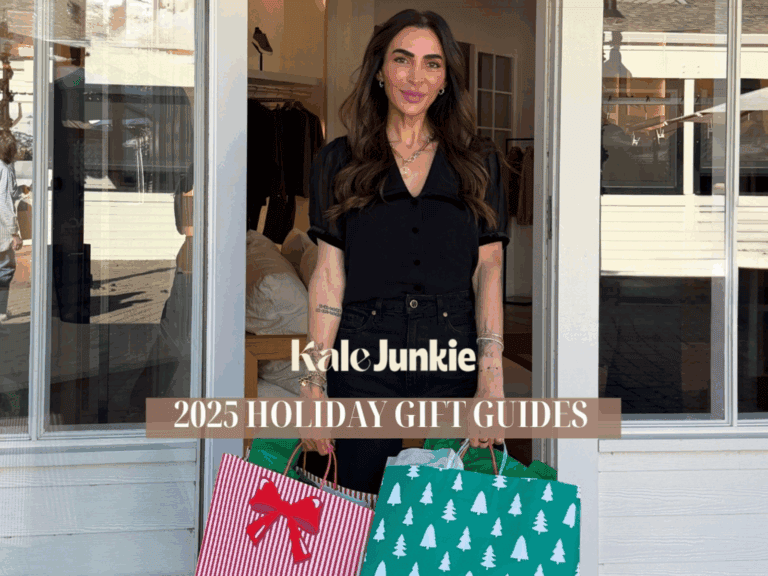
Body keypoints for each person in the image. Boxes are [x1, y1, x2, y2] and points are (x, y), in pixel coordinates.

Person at [300, 9, 510, 494]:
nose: (416, 77)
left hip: (454, 351)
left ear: (445, 80)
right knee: (353, 505)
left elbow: (490, 270)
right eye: (403, 60)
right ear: (379, 70)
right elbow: (328, 277)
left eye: (432, 64)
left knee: (459, 515)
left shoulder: (480, 163)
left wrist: (492, 381)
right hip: (363, 353)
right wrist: (311, 385)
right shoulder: (339, 159)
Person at [0, 131, 25, 323]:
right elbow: (4, 202)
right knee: (6, 268)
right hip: (2, 230)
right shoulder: (5, 169)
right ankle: (1, 311)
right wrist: (14, 232)